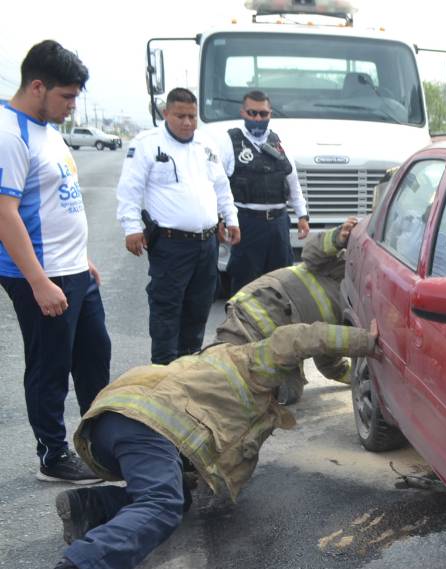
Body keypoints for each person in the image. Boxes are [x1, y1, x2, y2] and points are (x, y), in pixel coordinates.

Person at [27, 320, 379, 569]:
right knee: (162, 504)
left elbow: (215, 466)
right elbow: (301, 337)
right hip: (148, 422)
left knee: (176, 496)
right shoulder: (252, 361)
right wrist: (369, 341)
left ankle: (89, 506)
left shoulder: (212, 367)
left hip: (110, 424)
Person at [0, 41, 110, 484]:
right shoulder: (10, 133)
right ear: (38, 86)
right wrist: (39, 282)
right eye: (66, 96)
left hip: (74, 270)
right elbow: (5, 214)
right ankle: (53, 454)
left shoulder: (48, 127)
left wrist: (82, 258)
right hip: (43, 276)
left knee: (94, 356)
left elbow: (55, 200)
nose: (72, 105)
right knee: (49, 366)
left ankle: (102, 441)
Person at [117, 87, 240, 365]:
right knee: (167, 309)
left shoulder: (205, 145)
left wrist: (230, 218)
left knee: (198, 308)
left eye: (192, 117)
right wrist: (131, 227)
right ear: (166, 114)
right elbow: (130, 190)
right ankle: (163, 372)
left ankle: (189, 366)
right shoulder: (148, 143)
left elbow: (221, 186)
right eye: (180, 116)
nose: (187, 123)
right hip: (171, 245)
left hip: (207, 243)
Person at [214, 217, 357, 404]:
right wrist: (338, 236)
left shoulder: (358, 308)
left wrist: (355, 379)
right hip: (258, 310)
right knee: (220, 373)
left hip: (285, 339)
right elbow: (311, 252)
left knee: (289, 393)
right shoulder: (342, 265)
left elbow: (328, 356)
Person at [215, 90, 309, 294]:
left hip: (278, 225)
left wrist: (302, 215)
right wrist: (220, 219)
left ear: (270, 115)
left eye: (263, 114)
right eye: (252, 113)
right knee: (245, 287)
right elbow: (218, 184)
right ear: (243, 113)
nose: (258, 118)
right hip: (247, 224)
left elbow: (292, 181)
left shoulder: (277, 142)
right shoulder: (229, 142)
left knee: (281, 285)